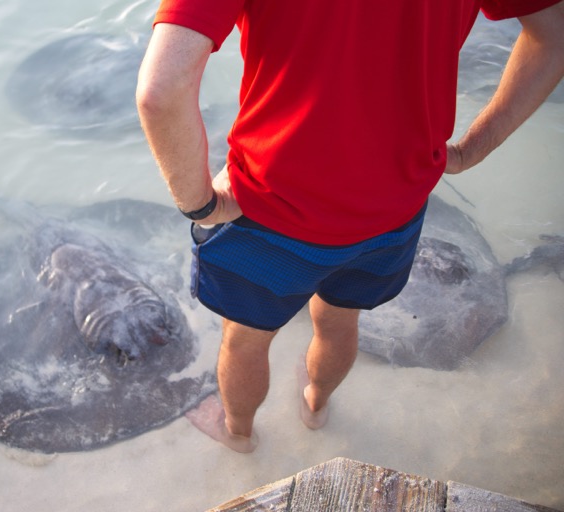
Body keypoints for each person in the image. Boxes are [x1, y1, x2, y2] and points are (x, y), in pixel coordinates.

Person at [136, 0, 564, 453]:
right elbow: (551, 35)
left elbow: (160, 92)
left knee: (245, 342)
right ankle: (316, 404)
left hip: (272, 210)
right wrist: (472, 149)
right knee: (340, 323)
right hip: (395, 209)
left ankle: (238, 431)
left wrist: (201, 205)